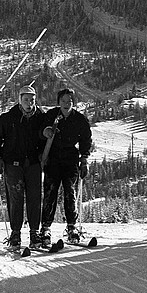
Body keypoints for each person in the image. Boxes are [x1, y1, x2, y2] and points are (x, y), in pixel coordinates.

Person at [0, 83, 46, 250]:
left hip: (34, 164)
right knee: (15, 198)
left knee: (34, 198)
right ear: (20, 100)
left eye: (32, 100)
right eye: (26, 99)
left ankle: (34, 232)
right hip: (13, 164)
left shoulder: (41, 117)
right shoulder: (8, 118)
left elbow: (48, 137)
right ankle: (15, 233)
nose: (29, 103)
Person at [39, 87, 92, 245]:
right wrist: (45, 132)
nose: (66, 104)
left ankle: (71, 226)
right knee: (50, 193)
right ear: (58, 102)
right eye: (63, 101)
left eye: (69, 101)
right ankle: (45, 228)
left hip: (70, 159)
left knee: (70, 193)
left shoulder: (79, 119)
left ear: (73, 102)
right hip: (53, 158)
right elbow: (40, 132)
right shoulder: (51, 115)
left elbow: (85, 140)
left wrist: (84, 160)